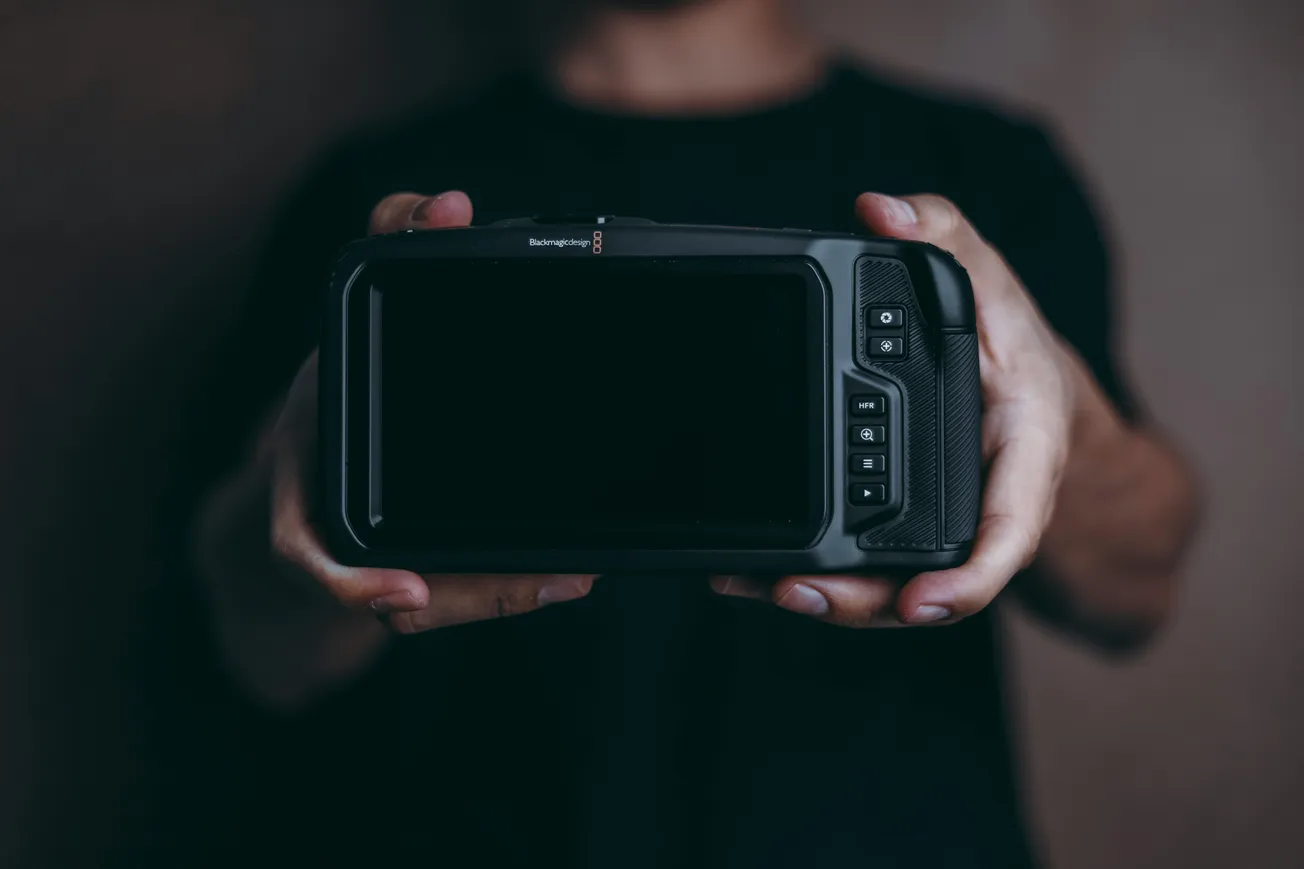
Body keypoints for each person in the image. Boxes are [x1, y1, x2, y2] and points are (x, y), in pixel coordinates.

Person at [192, 0, 1201, 864]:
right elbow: (252, 649)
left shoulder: (984, 166)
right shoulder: (371, 199)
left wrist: (1058, 398)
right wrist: (304, 523)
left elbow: (1132, 593)